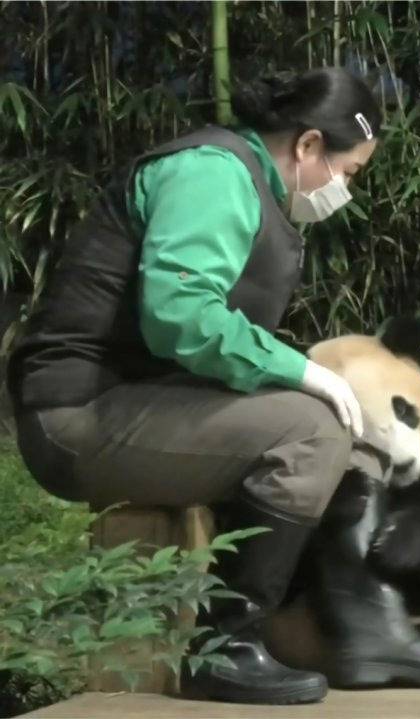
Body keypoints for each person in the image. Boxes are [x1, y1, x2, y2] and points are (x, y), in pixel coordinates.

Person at [7, 68, 382, 705]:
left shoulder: (247, 179)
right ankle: (225, 649)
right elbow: (182, 315)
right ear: (309, 145)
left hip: (136, 404)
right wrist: (302, 369)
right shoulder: (212, 173)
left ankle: (345, 634)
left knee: (352, 441)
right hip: (77, 415)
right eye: (348, 171)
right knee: (311, 433)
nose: (344, 189)